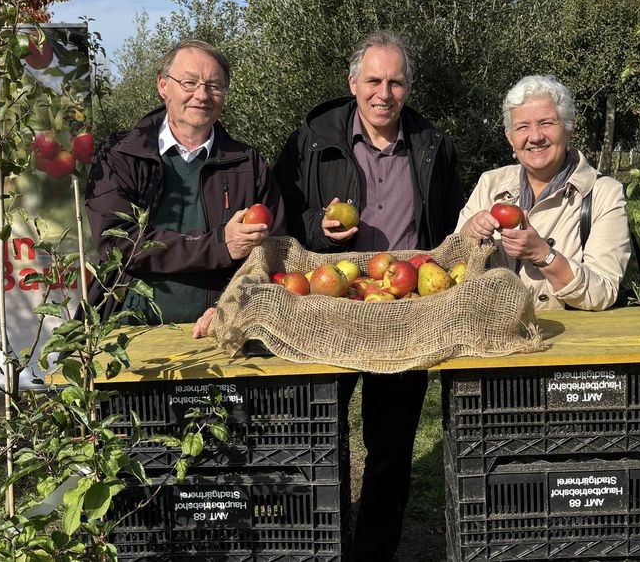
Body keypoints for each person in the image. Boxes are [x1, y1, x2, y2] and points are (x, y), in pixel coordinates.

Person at [273, 29, 464, 561]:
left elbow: (448, 227)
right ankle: (319, 544)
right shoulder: (311, 138)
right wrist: (317, 226)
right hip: (329, 306)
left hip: (404, 310)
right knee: (317, 432)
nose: (385, 92)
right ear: (353, 82)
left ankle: (373, 552)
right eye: (374, 80)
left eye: (396, 82)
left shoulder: (432, 145)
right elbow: (284, 212)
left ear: (408, 88)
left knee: (391, 446)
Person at [84, 39, 284, 328]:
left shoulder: (247, 164)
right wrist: (218, 245)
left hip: (221, 332)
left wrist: (237, 304)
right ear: (163, 86)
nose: (202, 95)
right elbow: (116, 243)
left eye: (214, 86)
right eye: (189, 83)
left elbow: (273, 250)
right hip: (129, 333)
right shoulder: (121, 155)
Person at [457, 74, 630, 311]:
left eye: (546, 123)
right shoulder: (490, 184)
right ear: (510, 138)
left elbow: (603, 292)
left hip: (566, 340)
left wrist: (544, 255)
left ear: (568, 129)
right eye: (522, 127)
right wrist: (469, 232)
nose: (535, 136)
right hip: (494, 336)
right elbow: (451, 266)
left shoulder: (603, 193)